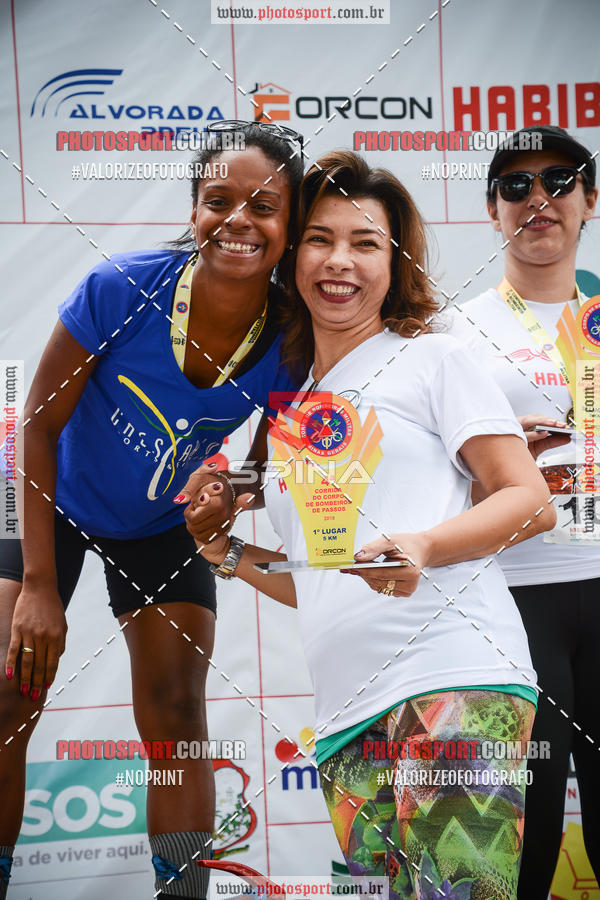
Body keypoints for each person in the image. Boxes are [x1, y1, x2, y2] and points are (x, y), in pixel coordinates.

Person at [185, 151, 556, 899]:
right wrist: (220, 548)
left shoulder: (433, 359)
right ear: (292, 257)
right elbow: (325, 585)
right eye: (320, 239)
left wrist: (423, 543)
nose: (340, 262)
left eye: (366, 243)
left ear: (396, 261)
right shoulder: (295, 415)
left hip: (453, 680)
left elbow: (529, 500)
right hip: (347, 718)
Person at [0, 121, 303, 900]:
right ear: (194, 210)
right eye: (218, 200)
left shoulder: (292, 338)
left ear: (290, 226)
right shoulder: (122, 289)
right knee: (9, 693)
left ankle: (182, 894)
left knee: (175, 715)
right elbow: (34, 428)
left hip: (157, 522)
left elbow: (266, 466)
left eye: (264, 207)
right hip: (48, 498)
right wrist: (37, 584)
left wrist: (227, 492)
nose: (238, 220)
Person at [447, 125, 600, 898]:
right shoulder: (456, 333)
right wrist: (504, 476)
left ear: (589, 201)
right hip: (507, 600)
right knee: (523, 824)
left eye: (559, 181)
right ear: (492, 211)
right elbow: (427, 488)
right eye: (516, 186)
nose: (538, 199)